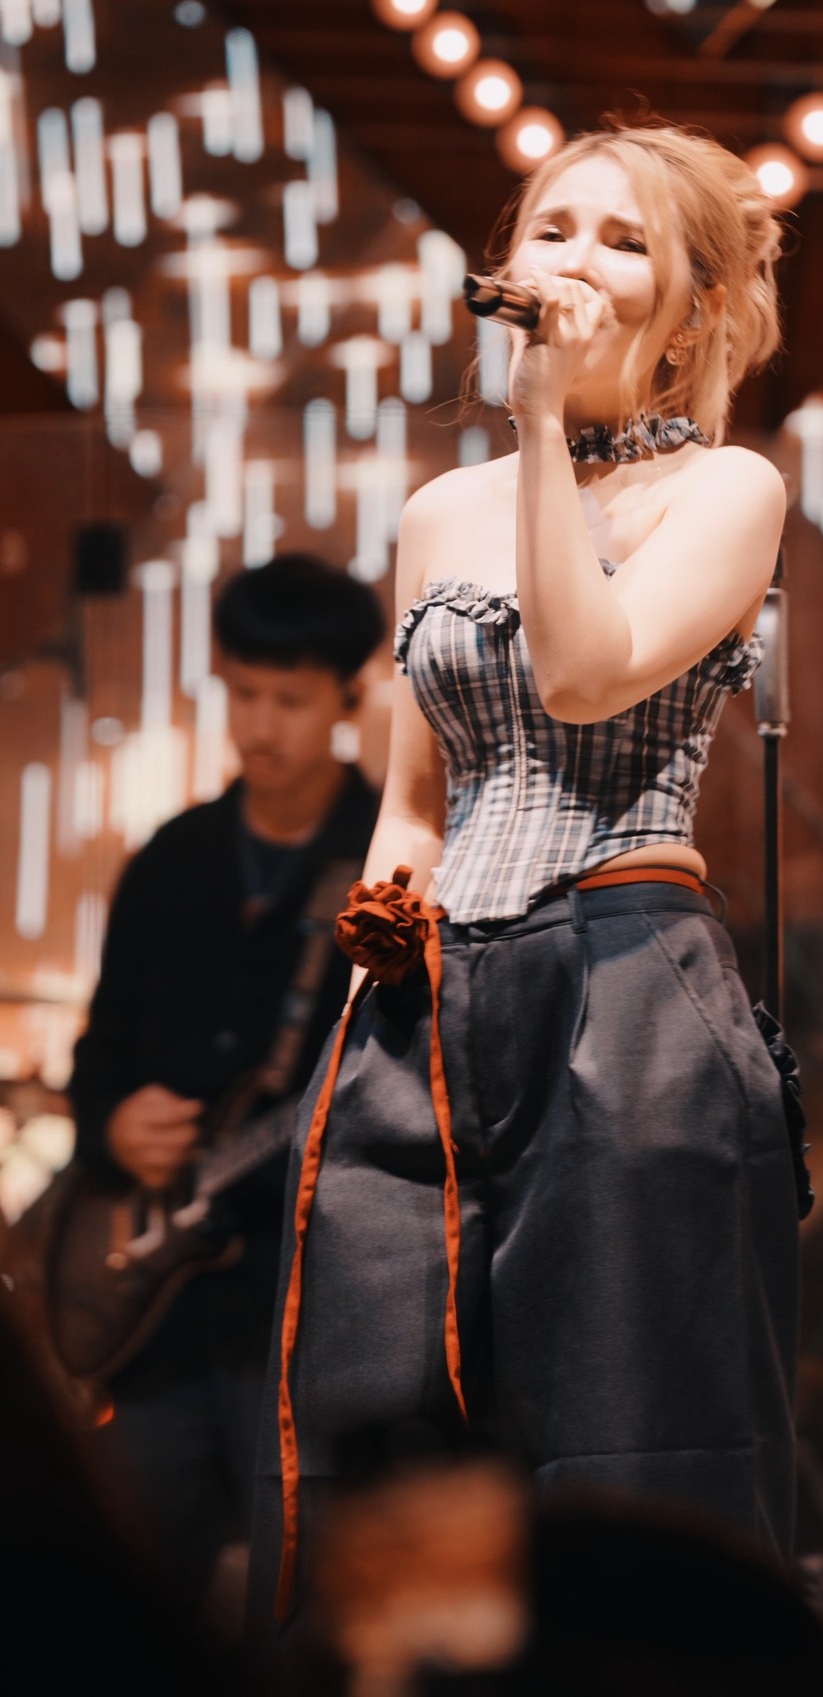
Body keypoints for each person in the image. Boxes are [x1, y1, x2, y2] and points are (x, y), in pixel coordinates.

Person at [250, 121, 802, 1640]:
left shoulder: (728, 490)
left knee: (632, 1433)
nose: (575, 262)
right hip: (432, 995)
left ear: (689, 311)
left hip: (626, 977)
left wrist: (548, 429)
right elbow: (414, 795)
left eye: (625, 242)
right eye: (555, 228)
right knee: (376, 1416)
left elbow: (579, 671)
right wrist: (364, 995)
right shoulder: (441, 513)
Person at [69, 553, 384, 1612]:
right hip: (158, 1322)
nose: (259, 724)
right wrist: (114, 1123)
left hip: (305, 1315)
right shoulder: (172, 858)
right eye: (243, 692)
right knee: (124, 1597)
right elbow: (98, 1051)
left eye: (288, 699)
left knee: (299, 1609)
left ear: (349, 695)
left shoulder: (387, 863)